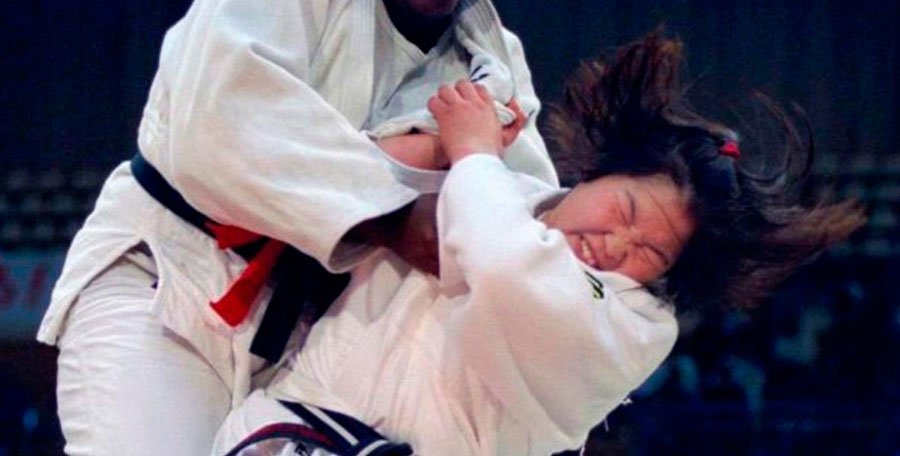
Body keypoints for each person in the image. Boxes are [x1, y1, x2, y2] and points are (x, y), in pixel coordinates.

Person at [36, 0, 559, 456]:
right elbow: (217, 123)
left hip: (307, 331)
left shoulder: (492, 59)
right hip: (170, 278)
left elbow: (521, 215)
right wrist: (394, 211)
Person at [211, 31, 865, 456]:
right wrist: (446, 148)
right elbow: (329, 183)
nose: (617, 245)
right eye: (626, 209)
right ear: (597, 172)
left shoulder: (637, 323)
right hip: (286, 431)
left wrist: (472, 151)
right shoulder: (498, 192)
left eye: (651, 253)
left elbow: (506, 270)